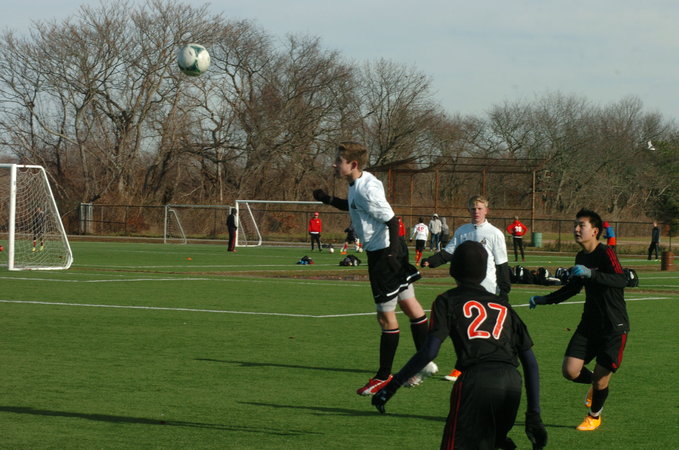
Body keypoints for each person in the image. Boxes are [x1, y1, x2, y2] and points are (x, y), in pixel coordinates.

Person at [372, 241, 547, 450]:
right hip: (511, 383)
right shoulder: (503, 305)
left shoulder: (447, 300)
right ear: (483, 271)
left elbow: (429, 351)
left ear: (454, 269)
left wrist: (392, 386)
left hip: (476, 380)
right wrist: (534, 414)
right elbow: (530, 362)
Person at [313, 141, 437, 395]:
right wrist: (328, 199)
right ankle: (424, 362)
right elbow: (352, 206)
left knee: (385, 316)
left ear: (353, 164)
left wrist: (391, 253)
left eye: (339, 161)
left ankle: (383, 376)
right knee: (410, 305)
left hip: (384, 254)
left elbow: (392, 220)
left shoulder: (366, 189)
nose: (334, 165)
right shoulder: (359, 183)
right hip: (390, 251)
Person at [529, 208, 629, 431]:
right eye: (575, 225)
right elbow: (573, 288)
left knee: (602, 380)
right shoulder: (581, 257)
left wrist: (591, 273)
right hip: (589, 324)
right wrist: (545, 299)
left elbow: (621, 280)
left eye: (581, 225)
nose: (575, 229)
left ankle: (594, 416)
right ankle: (596, 384)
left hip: (614, 326)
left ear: (594, 231)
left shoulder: (606, 253)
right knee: (570, 371)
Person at [421, 194, 511, 382]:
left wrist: (504, 292)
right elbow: (449, 252)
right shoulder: (463, 231)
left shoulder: (495, 233)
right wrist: (431, 261)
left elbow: (502, 264)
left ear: (486, 210)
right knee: (464, 329)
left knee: (484, 332)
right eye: (473, 208)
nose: (476, 212)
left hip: (487, 290)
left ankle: (479, 367)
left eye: (480, 208)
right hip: (465, 288)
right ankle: (463, 368)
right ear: (469, 210)